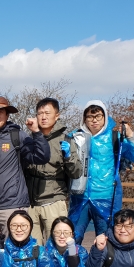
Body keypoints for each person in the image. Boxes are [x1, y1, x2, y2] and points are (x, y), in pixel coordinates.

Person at [0, 96, 50, 258]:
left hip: (13, 205)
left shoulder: (16, 136)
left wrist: (37, 132)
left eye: (0, 112)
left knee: (15, 253)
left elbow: (41, 157)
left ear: (7, 115)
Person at [68, 100, 134, 244]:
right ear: (84, 118)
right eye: (90, 117)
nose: (94, 120)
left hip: (106, 197)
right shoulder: (75, 137)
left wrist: (131, 135)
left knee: (106, 238)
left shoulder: (115, 138)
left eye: (98, 116)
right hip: (79, 197)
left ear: (105, 117)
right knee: (72, 238)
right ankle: (73, 264)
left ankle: (103, 265)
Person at [26, 98, 83, 243]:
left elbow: (76, 173)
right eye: (40, 113)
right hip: (31, 203)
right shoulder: (29, 139)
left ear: (57, 115)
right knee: (33, 248)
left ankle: (68, 265)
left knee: (59, 245)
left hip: (54, 201)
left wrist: (69, 157)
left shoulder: (66, 140)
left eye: (47, 113)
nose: (43, 117)